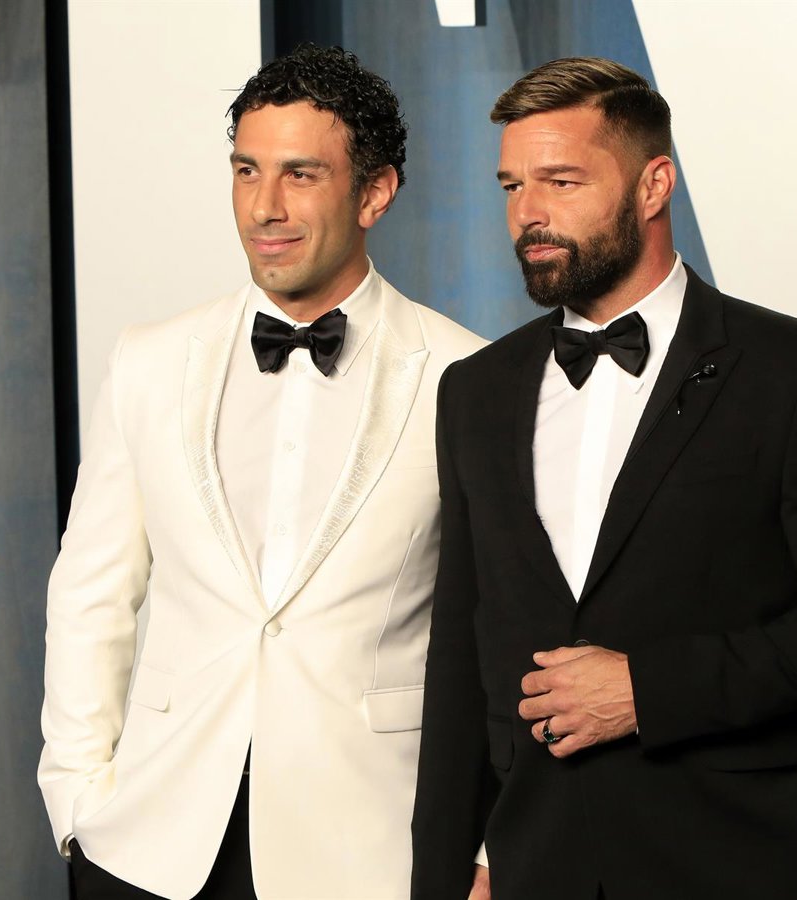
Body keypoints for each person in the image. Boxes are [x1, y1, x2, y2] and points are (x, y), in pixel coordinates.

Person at [411, 57, 797, 900]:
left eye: (561, 181)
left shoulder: (795, 371)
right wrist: (450, 865)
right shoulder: (476, 390)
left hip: (731, 866)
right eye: (511, 186)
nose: (528, 213)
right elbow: (464, 654)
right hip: (531, 870)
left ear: (654, 185)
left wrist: (646, 690)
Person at [39, 45, 485, 900]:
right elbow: (90, 593)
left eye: (300, 175)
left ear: (375, 192)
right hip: (148, 845)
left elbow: (498, 633)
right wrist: (78, 800)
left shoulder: (464, 376)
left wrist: (488, 844)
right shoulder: (150, 360)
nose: (264, 207)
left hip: (369, 850)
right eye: (247, 170)